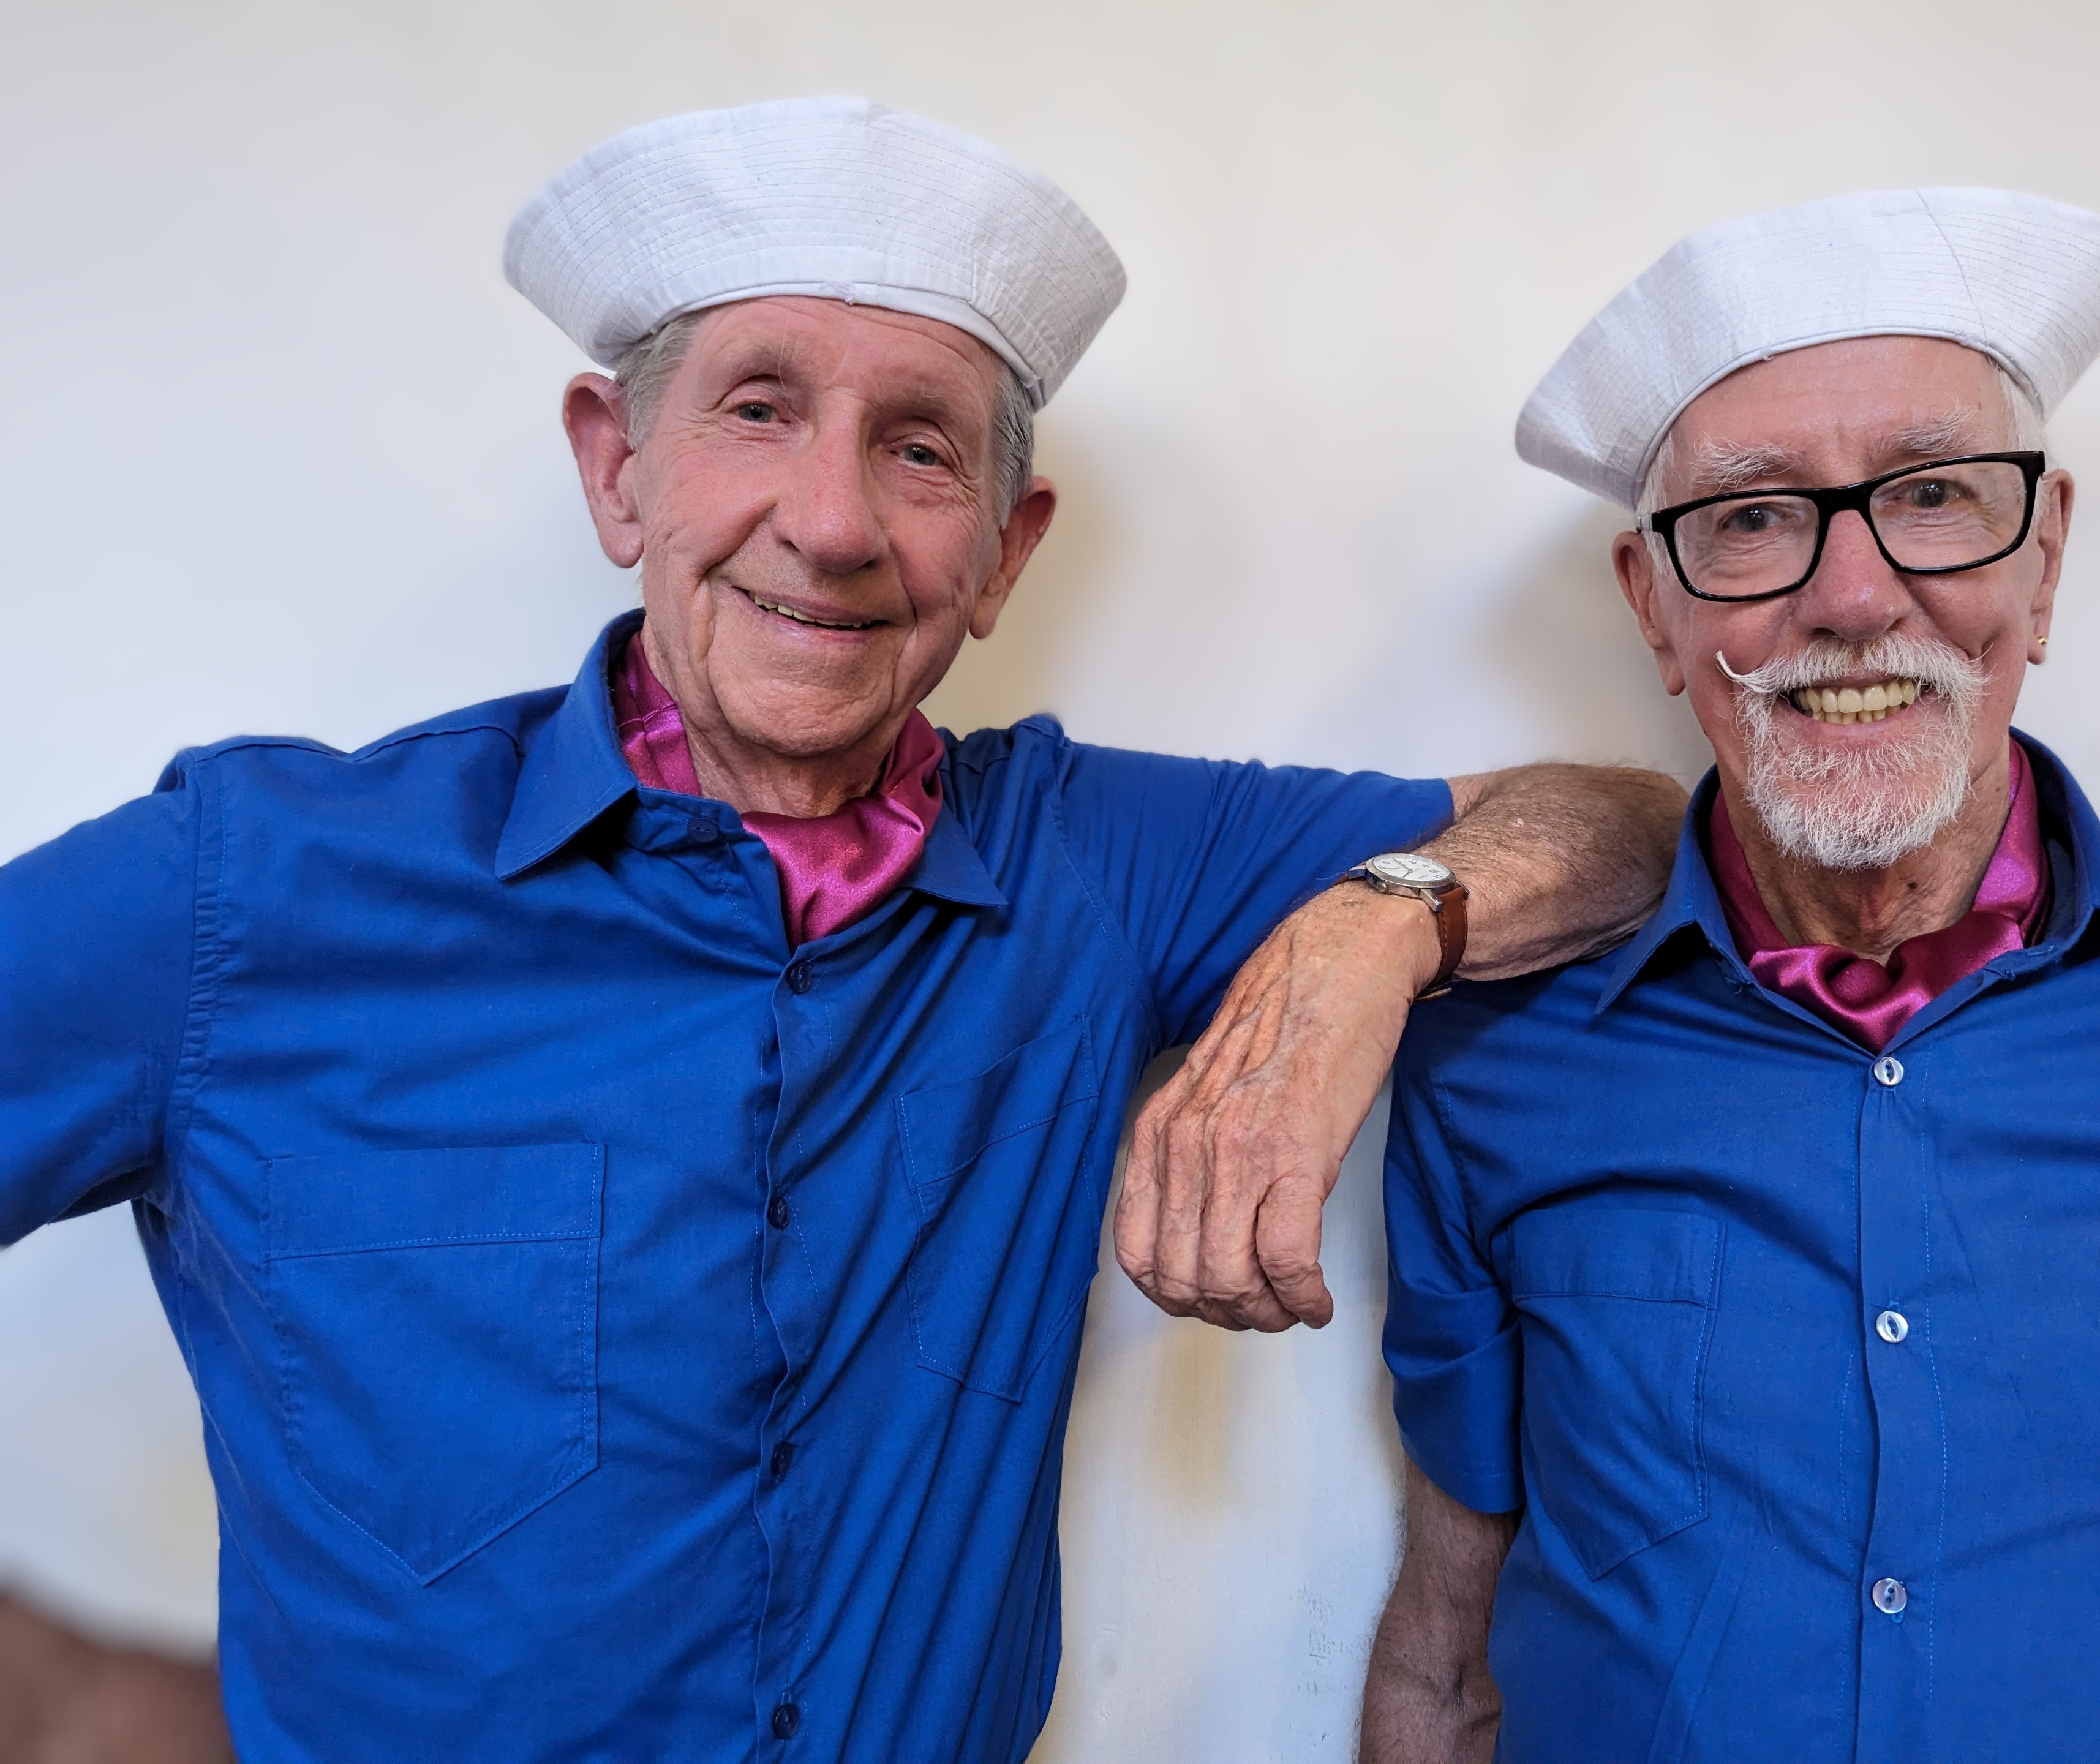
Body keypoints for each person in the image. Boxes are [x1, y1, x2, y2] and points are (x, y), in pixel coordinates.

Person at [0, 97, 1685, 1762]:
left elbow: (1619, 827)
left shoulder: (1096, 859)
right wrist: (79, 1703)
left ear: (1005, 552)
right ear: (616, 468)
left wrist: (1366, 940)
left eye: (921, 447)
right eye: (758, 411)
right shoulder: (250, 885)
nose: (831, 523)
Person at [1360, 188, 2100, 1763]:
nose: (1851, 597)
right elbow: (1444, 1654)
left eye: (1936, 495)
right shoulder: (1498, 1054)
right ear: (1653, 609)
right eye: (1751, 517)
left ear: (2045, 559)